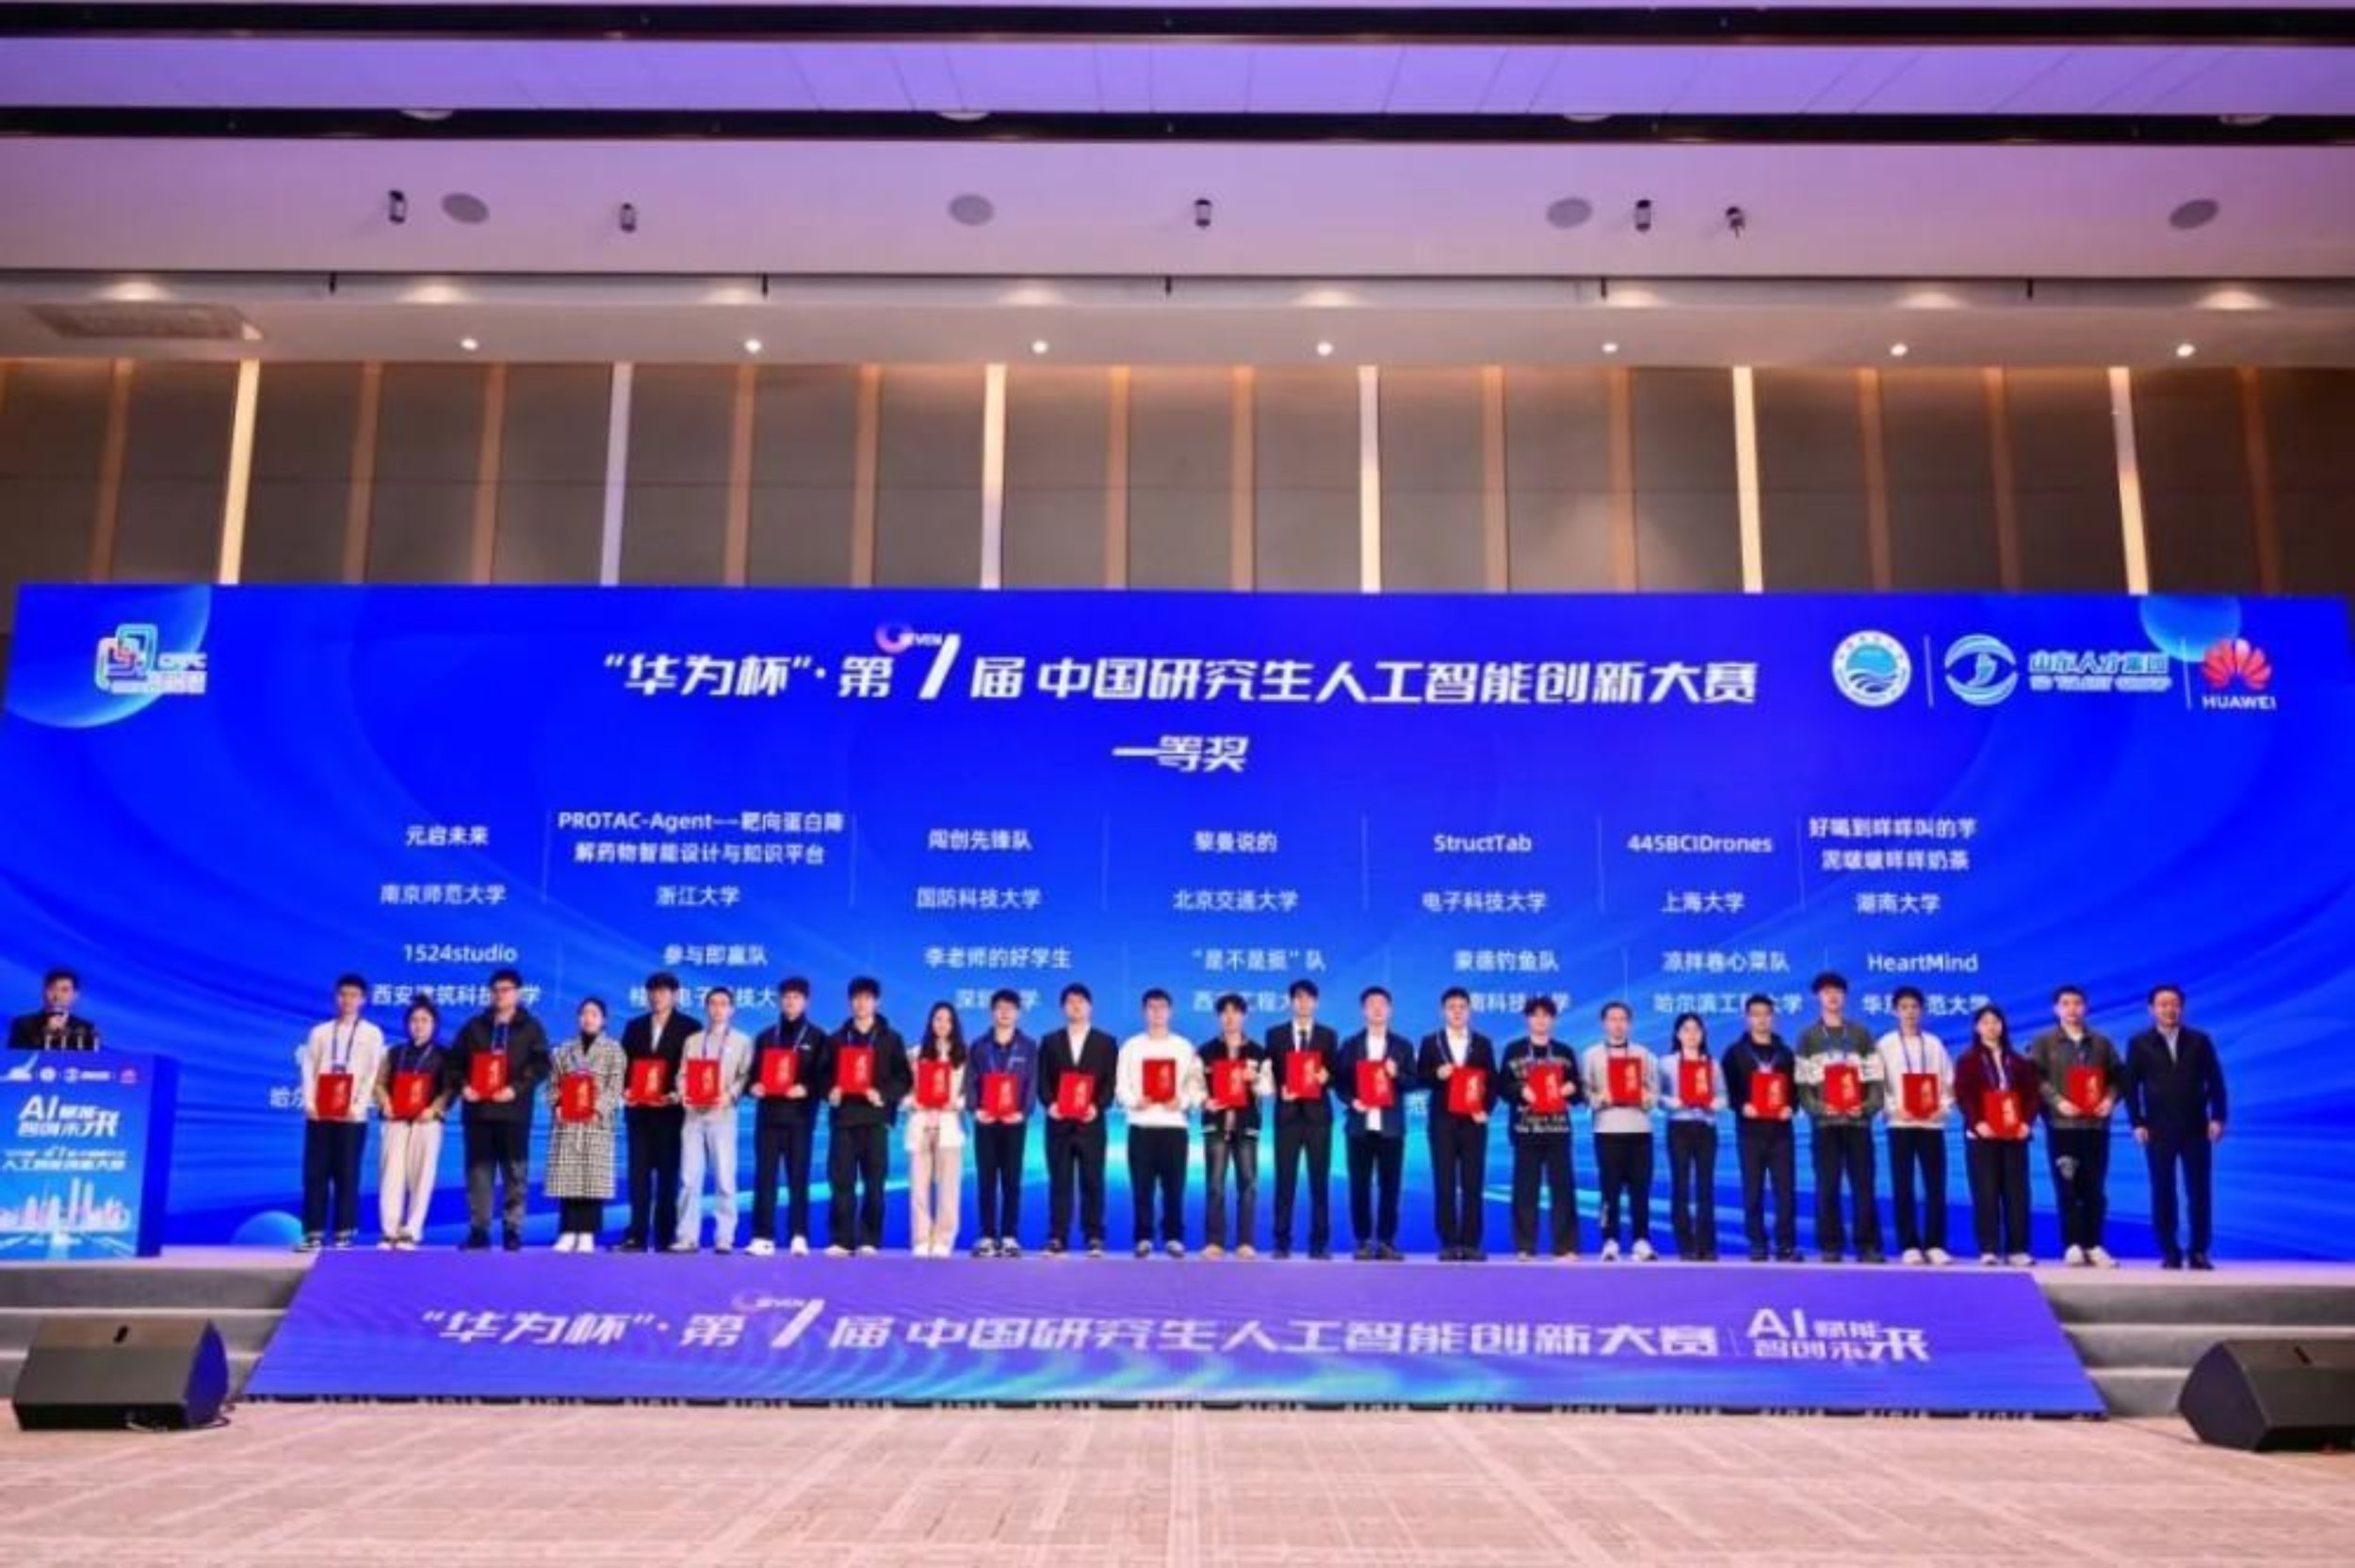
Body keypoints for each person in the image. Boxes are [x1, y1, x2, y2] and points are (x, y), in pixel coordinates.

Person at [447, 967, 552, 1251]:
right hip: (478, 1112)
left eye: (506, 990)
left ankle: (512, 1230)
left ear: (518, 993)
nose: (500, 995)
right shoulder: (474, 1027)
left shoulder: (531, 1028)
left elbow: (541, 1065)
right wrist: (464, 1086)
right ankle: (479, 1231)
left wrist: (515, 1088)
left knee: (514, 1173)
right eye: (495, 990)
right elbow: (454, 1063)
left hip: (514, 1113)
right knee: (478, 1173)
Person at [2124, 983, 2228, 1271]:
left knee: (2199, 1191)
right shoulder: (2139, 1043)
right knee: (2163, 1190)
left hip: (2196, 1127)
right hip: (2157, 1129)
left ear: (2182, 1007)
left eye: (2174, 1004)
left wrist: (2218, 1117)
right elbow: (2130, 1087)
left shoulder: (2200, 1041)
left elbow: (2216, 1081)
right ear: (2151, 1009)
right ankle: (2170, 1251)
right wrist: (2137, 1122)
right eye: (2163, 1004)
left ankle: (2198, 1251)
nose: (2169, 1009)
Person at [1795, 970, 1886, 1263]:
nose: (1832, 996)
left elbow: (1876, 1078)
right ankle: (1830, 1245)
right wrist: (1820, 1109)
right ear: (1818, 998)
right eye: (1826, 992)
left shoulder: (1861, 1033)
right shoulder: (1808, 1037)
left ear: (1844, 997)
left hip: (1858, 1123)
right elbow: (1803, 1086)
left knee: (1864, 1186)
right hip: (1826, 1125)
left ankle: (1867, 1245)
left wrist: (1868, 1107)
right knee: (1827, 1187)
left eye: (1837, 991)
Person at [2030, 984, 2122, 1269]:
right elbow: (2034, 1079)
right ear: (2056, 1009)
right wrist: (2057, 1101)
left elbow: (2119, 1078)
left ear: (2086, 1007)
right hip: (2062, 1126)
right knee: (2067, 1186)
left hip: (2095, 1126)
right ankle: (2072, 1244)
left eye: (2077, 1003)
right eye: (2066, 1003)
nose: (2072, 1009)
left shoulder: (2102, 1042)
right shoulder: (2044, 1042)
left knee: (2095, 1187)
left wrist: (2109, 1099)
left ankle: (2094, 1244)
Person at [821, 976, 911, 1255]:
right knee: (841, 1183)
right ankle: (842, 1239)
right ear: (850, 1002)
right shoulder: (836, 1039)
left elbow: (904, 1079)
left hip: (875, 1120)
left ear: (877, 1002)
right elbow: (822, 1076)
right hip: (844, 1120)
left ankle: (870, 1239)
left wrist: (882, 1095)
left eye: (867, 999)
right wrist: (830, 1091)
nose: (862, 1004)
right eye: (857, 998)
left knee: (874, 1184)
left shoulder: (891, 1039)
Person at [296, 973, 385, 1252]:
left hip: (352, 1117)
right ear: (336, 998)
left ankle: (344, 1232)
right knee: (316, 1173)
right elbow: (308, 1069)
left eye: (354, 995)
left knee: (347, 1173)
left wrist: (358, 1106)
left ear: (363, 1000)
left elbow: (372, 1073)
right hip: (320, 1115)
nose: (348, 1000)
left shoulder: (372, 1033)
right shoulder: (320, 1032)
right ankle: (313, 1233)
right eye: (343, 994)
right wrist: (310, 1103)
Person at [1117, 989, 1203, 1258]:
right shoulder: (1131, 1047)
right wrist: (1134, 1101)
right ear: (1144, 1011)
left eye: (1162, 1007)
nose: (1157, 1012)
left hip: (1174, 1127)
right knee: (1142, 1187)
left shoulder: (1184, 1047)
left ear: (1170, 1011)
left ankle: (1173, 1237)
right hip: (1141, 1125)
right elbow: (1121, 1086)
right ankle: (1143, 1237)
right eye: (1151, 1007)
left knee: (1174, 1187)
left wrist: (1183, 1100)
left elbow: (1197, 1085)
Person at [617, 971, 698, 1253]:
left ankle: (665, 1236)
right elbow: (623, 1066)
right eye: (652, 991)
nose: (656, 996)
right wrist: (625, 1090)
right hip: (639, 1113)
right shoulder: (634, 1026)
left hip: (670, 1113)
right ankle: (636, 1236)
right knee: (638, 1176)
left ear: (675, 995)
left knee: (668, 1177)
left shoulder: (690, 1027)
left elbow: (693, 1069)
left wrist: (675, 1095)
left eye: (663, 991)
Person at [1876, 986, 1956, 1267]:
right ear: (1895, 1011)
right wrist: (1893, 1108)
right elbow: (1878, 1084)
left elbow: (1948, 1082)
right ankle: (1909, 1244)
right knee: (1903, 1185)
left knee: (1935, 1186)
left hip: (1931, 1125)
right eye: (1904, 1007)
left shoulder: (1934, 1044)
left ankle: (1935, 1244)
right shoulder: (1885, 1044)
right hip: (1901, 1123)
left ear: (1921, 1011)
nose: (1909, 1012)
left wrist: (1943, 1108)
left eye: (1914, 1007)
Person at [1954, 1003, 2038, 1267]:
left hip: (2014, 1135)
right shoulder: (1968, 1060)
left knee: (2017, 1193)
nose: (1991, 1027)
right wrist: (1977, 1122)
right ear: (1977, 1028)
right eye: (1985, 1022)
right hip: (1983, 1136)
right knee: (1985, 1192)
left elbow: (2032, 1096)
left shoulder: (2019, 1061)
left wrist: (2026, 1123)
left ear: (2003, 1026)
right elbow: (1963, 1095)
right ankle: (1988, 1248)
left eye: (1996, 1022)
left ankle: (2017, 1249)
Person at [1038, 981, 1118, 1256]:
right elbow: (1043, 1080)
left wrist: (1098, 1106)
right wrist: (1050, 1105)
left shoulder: (1106, 1042)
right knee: (1059, 1182)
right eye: (1070, 1002)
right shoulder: (1050, 1041)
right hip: (1058, 1123)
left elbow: (1110, 1082)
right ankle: (1057, 1236)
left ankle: (1094, 1236)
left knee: (1092, 1181)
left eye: (1081, 1001)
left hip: (1090, 1123)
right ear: (1063, 1008)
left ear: (1090, 1007)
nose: (1076, 1006)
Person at [1335, 985, 1415, 1261]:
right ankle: (1363, 1241)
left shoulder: (1402, 1046)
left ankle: (1387, 1241)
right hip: (1360, 1126)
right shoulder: (1351, 1045)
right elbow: (1339, 1082)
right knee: (1359, 1187)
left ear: (1390, 1009)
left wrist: (1396, 1074)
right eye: (1372, 1004)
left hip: (1391, 1127)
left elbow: (1413, 1082)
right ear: (1364, 1010)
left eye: (1382, 1004)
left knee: (1390, 1187)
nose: (1377, 1009)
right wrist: (1352, 1101)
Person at [746, 976, 825, 1257]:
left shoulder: (817, 1037)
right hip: (768, 1118)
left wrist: (806, 1088)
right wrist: (753, 1087)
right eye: (787, 997)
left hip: (800, 1119)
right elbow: (751, 1076)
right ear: (780, 1001)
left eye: (796, 997)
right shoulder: (766, 1036)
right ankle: (762, 1236)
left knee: (798, 1178)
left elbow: (823, 1078)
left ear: (806, 1002)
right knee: (764, 1179)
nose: (791, 1002)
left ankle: (798, 1235)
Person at [1416, 986, 1495, 1262]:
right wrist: (1437, 1073)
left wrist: (1485, 1109)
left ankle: (1472, 1243)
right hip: (1442, 1122)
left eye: (1462, 1007)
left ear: (1469, 1011)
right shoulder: (1431, 1042)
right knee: (1444, 1182)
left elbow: (1492, 1082)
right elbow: (1419, 1077)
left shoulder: (1482, 1043)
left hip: (1473, 1122)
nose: (1457, 1012)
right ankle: (1448, 1242)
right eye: (1452, 1007)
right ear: (1443, 1012)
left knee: (1473, 1183)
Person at [1501, 994, 1583, 1259]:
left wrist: (1571, 1088)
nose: (1540, 1020)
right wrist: (1520, 1090)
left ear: (1553, 1020)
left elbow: (1578, 1090)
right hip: (1525, 1131)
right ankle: (1525, 1246)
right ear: (1527, 1019)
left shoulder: (1564, 1052)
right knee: (1525, 1190)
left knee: (1563, 1190)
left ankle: (1566, 1246)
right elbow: (1502, 1087)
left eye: (1546, 1015)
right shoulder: (1514, 1050)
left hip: (1558, 1130)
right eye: (1535, 1015)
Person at [673, 987, 751, 1253]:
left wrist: (730, 1095)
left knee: (725, 1178)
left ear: (732, 1010)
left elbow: (745, 1075)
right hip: (693, 1116)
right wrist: (684, 1093)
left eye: (723, 1004)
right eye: (713, 1004)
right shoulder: (693, 1041)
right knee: (689, 1178)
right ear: (706, 1008)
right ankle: (687, 1236)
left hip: (723, 1116)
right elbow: (682, 1074)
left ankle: (724, 1237)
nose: (718, 1009)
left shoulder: (742, 1041)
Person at [1722, 994, 1798, 1262]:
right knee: (1752, 1190)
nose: (1761, 1019)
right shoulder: (1735, 1053)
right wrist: (1741, 1106)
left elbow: (1796, 1090)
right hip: (1750, 1131)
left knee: (1785, 1191)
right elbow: (1727, 1090)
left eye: (1766, 1014)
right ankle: (1757, 1242)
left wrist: (1792, 1107)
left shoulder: (1785, 1053)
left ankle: (1785, 1245)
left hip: (1781, 1132)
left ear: (1773, 1017)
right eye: (1755, 1014)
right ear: (1747, 1018)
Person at [545, 997, 626, 1253]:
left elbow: (615, 1087)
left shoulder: (614, 1050)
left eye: (594, 1014)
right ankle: (568, 1232)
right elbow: (553, 1085)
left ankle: (588, 1233)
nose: (588, 1018)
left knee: (593, 1180)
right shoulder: (563, 1050)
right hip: (568, 1122)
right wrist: (557, 1105)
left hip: (595, 1123)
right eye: (584, 1014)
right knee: (567, 1178)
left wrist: (599, 1110)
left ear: (603, 1020)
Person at [1267, 977, 1340, 1260]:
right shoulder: (1275, 1035)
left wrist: (1326, 1077)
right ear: (1291, 1002)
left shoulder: (1328, 1035)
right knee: (1284, 1181)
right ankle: (1281, 1242)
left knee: (1319, 1182)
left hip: (1318, 1117)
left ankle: (1319, 1243)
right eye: (1298, 998)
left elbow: (1337, 1074)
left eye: (1309, 998)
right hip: (1287, 1116)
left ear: (1316, 1003)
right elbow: (1268, 1074)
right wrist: (1278, 1089)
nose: (1303, 1002)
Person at [1583, 1000, 1659, 1262]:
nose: (1618, 1024)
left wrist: (1647, 1099)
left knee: (1641, 1191)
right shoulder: (1592, 1055)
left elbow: (1654, 1093)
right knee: (1609, 1191)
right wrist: (1599, 1098)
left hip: (1640, 1131)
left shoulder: (1644, 1054)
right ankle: (1609, 1240)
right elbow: (1585, 1093)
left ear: (1630, 1023)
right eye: (1612, 1019)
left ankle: (1641, 1240)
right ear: (1604, 1023)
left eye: (1623, 1019)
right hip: (1607, 1131)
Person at [966, 987, 1037, 1258]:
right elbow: (970, 1081)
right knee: (986, 1179)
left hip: (1014, 1122)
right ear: (992, 1012)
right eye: (1000, 1008)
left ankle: (1009, 1236)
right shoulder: (979, 1046)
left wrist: (1023, 1112)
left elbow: (1031, 1082)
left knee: (1011, 1180)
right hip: (985, 1121)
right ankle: (986, 1235)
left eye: (1010, 1008)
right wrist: (975, 1109)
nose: (1005, 1013)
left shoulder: (1028, 1046)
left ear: (1018, 1013)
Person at [373, 994, 448, 1251]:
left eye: (425, 1020)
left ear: (434, 1024)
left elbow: (450, 1089)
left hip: (426, 1122)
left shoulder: (444, 1055)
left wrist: (434, 1109)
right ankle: (389, 1232)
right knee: (391, 1176)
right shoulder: (394, 1052)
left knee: (422, 1176)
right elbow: (379, 1083)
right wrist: (385, 1102)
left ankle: (412, 1231)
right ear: (407, 1024)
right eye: (414, 1020)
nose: (419, 1025)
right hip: (396, 1120)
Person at [1198, 993, 1267, 1258]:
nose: (1230, 1017)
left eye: (1235, 1012)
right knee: (1215, 1185)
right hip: (1215, 1124)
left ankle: (1245, 1242)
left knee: (1248, 1184)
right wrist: (1204, 1100)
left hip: (1246, 1124)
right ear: (1219, 1017)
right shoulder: (1205, 1051)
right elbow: (1193, 1085)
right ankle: (1214, 1241)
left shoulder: (1258, 1051)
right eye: (1224, 1012)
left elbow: (1268, 1088)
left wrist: (1255, 1079)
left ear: (1244, 1016)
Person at [1658, 1011, 1725, 1260]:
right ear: (1677, 1034)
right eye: (1686, 1029)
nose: (1691, 1034)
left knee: (1705, 1187)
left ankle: (1707, 1245)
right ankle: (1685, 1245)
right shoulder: (1666, 1063)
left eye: (1696, 1029)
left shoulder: (1712, 1064)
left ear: (1703, 1034)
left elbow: (1723, 1095)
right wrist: (1672, 1102)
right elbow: (1656, 1096)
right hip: (1679, 1127)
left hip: (1705, 1127)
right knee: (1681, 1186)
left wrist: (1716, 1104)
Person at [905, 1001, 969, 1257]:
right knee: (919, 1188)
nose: (943, 1024)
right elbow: (903, 1091)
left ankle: (943, 1239)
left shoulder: (964, 1056)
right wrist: (912, 1102)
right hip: (921, 1124)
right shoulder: (915, 1054)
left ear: (954, 1025)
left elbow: (973, 1093)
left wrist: (958, 1104)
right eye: (938, 1019)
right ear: (931, 1022)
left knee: (948, 1188)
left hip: (949, 1126)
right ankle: (921, 1239)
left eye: (948, 1020)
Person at [8, 967, 99, 1049]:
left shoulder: (86, 1028)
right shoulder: (22, 1024)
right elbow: (16, 1058)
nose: (57, 996)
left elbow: (95, 1060)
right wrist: (46, 1036)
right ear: (43, 992)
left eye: (64, 990)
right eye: (52, 989)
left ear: (76, 995)